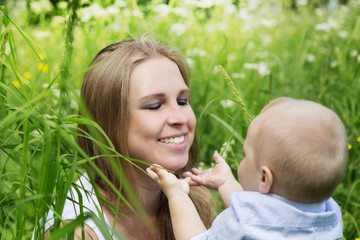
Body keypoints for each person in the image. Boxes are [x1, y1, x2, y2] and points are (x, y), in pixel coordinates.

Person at [40, 34, 215, 239]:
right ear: (109, 123)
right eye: (154, 106)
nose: (180, 118)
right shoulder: (76, 231)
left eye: (182, 101)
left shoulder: (191, 200)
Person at [147, 97, 348, 240]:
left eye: (246, 155)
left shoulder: (240, 225)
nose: (242, 161)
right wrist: (227, 183)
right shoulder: (327, 216)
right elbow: (262, 212)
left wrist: (176, 194)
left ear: (264, 179)